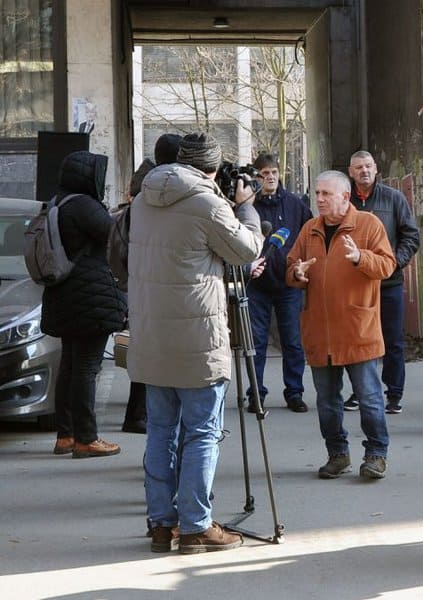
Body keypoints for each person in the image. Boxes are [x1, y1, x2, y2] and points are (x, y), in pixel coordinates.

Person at [129, 132, 262, 553]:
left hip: (151, 336)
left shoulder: (141, 200)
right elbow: (245, 250)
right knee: (202, 432)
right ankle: (196, 525)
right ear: (212, 168)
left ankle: (161, 523)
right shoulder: (208, 203)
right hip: (197, 340)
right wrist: (246, 208)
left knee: (160, 434)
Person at [285, 170, 396, 480]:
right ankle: (337, 454)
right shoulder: (309, 230)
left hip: (357, 329)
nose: (318, 199)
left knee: (370, 398)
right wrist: (298, 273)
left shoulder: (368, 225)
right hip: (320, 332)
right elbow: (290, 267)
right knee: (327, 402)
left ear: (345, 197)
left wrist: (360, 257)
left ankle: (376, 454)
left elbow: (387, 265)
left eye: (325, 194)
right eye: (317, 193)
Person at [44, 150, 128, 458]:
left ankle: (65, 435)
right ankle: (86, 437)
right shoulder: (83, 205)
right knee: (86, 367)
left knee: (70, 364)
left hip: (65, 294)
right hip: (90, 297)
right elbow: (113, 236)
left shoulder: (58, 203)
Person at [343, 150, 420, 414]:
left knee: (392, 340)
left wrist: (394, 262)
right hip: (354, 284)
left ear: (376, 169)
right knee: (357, 338)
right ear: (350, 172)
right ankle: (359, 390)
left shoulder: (394, 199)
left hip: (389, 283)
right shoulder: (344, 201)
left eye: (368, 166)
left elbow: (411, 235)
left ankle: (394, 394)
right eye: (358, 167)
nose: (364, 171)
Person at [246, 153, 313, 413]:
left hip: (288, 285)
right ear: (256, 177)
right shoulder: (248, 207)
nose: (270, 177)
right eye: (264, 174)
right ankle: (256, 393)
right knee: (256, 342)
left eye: (274, 172)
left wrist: (303, 265)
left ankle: (294, 392)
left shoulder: (295, 204)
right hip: (257, 285)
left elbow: (310, 233)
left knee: (293, 341)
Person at [115, 158, 156, 434]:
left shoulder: (124, 217)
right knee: (147, 359)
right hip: (144, 296)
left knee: (143, 357)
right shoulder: (140, 218)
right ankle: (138, 415)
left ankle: (137, 414)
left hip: (135, 293)